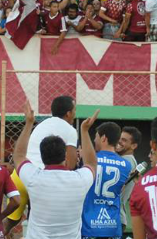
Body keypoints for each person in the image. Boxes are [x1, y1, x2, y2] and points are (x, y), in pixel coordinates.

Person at [14, 102, 98, 239]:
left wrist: (29, 124)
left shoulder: (33, 178)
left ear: (41, 156)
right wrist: (85, 131)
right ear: (65, 155)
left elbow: (18, 156)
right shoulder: (80, 180)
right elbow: (91, 163)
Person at [5, 96, 79, 232]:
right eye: (74, 110)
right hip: (40, 181)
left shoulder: (42, 125)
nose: (75, 113)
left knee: (10, 222)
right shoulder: (70, 130)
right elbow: (71, 165)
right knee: (40, 226)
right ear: (68, 113)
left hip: (19, 175)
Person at [81, 122, 131, 239]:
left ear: (103, 138)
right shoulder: (126, 165)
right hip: (112, 226)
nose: (94, 140)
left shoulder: (90, 161)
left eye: (96, 137)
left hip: (89, 226)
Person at [117, 126, 141, 235]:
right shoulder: (122, 160)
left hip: (115, 218)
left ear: (134, 146)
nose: (120, 142)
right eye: (120, 138)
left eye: (124, 140)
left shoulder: (127, 162)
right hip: (114, 217)